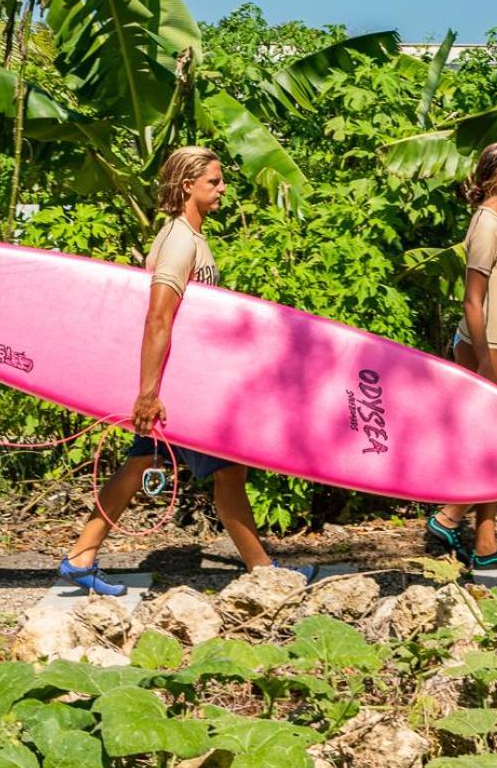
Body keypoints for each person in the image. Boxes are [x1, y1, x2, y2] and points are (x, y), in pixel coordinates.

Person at [59, 146, 315, 595]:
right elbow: (159, 317)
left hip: (185, 381)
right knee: (229, 472)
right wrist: (148, 392)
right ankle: (264, 573)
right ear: (187, 186)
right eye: (213, 182)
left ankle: (81, 557)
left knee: (143, 462)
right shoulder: (179, 240)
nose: (222, 189)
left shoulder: (191, 236)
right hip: (179, 388)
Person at [425, 142, 497, 570]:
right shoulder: (487, 226)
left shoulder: (496, 223)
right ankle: (449, 515)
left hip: (494, 342)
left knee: (492, 441)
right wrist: (489, 362)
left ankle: (486, 545)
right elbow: (473, 301)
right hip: (481, 345)